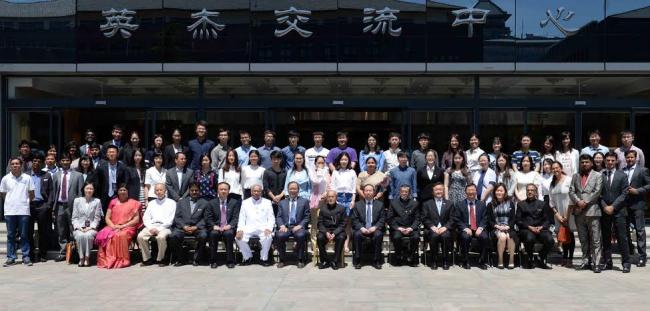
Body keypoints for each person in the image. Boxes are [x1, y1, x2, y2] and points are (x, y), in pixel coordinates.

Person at [569, 154, 604, 273]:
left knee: (595, 239)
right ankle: (585, 261)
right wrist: (578, 202)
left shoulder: (598, 175)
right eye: (582, 162)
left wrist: (585, 202)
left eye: (587, 162)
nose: (584, 164)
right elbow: (571, 191)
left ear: (592, 163)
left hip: (592, 211)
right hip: (579, 212)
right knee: (583, 239)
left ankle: (597, 263)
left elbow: (597, 191)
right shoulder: (575, 176)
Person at [95, 184, 141, 269]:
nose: (123, 192)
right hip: (113, 226)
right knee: (104, 234)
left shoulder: (133, 203)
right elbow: (107, 218)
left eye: (124, 190)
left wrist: (124, 225)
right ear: (118, 191)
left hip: (128, 227)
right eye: (121, 190)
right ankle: (106, 260)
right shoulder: (113, 202)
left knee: (120, 235)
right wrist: (113, 226)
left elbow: (136, 219)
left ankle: (122, 260)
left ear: (127, 192)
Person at [1, 157, 35, 267]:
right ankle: (11, 257)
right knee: (10, 235)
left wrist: (24, 201)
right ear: (10, 166)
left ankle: (26, 256)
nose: (15, 165)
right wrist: (11, 201)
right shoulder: (5, 178)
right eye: (13, 164)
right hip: (10, 211)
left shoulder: (27, 178)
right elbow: (3, 194)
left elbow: (31, 193)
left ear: (21, 165)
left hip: (23, 210)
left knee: (24, 235)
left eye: (17, 164)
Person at [600, 152, 631, 273]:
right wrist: (604, 206)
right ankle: (608, 262)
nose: (610, 162)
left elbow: (625, 193)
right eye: (608, 160)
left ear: (616, 161)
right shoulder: (600, 175)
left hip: (619, 211)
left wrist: (613, 206)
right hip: (605, 211)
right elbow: (598, 194)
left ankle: (626, 263)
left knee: (622, 238)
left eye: (612, 160)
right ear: (605, 161)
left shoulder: (622, 175)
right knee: (605, 238)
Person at [51, 154, 84, 262]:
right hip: (60, 205)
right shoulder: (56, 175)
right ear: (60, 162)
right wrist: (53, 208)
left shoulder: (78, 175)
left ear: (70, 162)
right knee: (61, 230)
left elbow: (80, 192)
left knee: (73, 229)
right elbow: (54, 192)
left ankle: (75, 251)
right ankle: (63, 252)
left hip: (73, 206)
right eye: (63, 160)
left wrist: (79, 208)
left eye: (67, 160)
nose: (65, 162)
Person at [169, 182, 208, 266]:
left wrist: (196, 227)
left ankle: (196, 259)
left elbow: (205, 218)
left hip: (198, 228)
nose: (194, 192)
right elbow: (177, 217)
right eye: (192, 190)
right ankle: (181, 258)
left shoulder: (204, 203)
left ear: (199, 191)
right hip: (183, 227)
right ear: (189, 191)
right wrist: (184, 226)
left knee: (204, 236)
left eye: (196, 190)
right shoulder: (181, 202)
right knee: (173, 236)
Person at [235, 184, 275, 266]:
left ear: (261, 192)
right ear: (251, 192)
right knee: (238, 238)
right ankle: (248, 257)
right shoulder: (245, 202)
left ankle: (263, 258)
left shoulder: (267, 202)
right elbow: (242, 218)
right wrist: (240, 230)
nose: (256, 193)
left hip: (263, 227)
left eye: (258, 191)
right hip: (249, 227)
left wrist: (269, 228)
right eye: (254, 191)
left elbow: (271, 218)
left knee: (268, 237)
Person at [516, 184, 554, 269]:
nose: (530, 192)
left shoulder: (542, 204)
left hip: (540, 229)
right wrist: (529, 227)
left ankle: (541, 256)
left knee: (550, 240)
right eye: (528, 190)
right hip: (526, 229)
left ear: (536, 192)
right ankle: (530, 258)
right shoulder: (521, 204)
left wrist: (541, 227)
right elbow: (518, 220)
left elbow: (547, 220)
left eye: (532, 190)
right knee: (529, 238)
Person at [137, 183, 175, 267]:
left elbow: (171, 219)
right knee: (140, 236)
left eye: (161, 190)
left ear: (165, 191)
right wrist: (151, 228)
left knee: (161, 237)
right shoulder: (151, 203)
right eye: (157, 190)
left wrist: (159, 229)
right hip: (152, 226)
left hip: (165, 227)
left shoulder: (172, 203)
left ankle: (162, 259)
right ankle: (147, 259)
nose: (159, 192)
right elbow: (146, 218)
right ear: (154, 192)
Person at [623, 150, 650, 267]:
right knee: (625, 231)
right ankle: (630, 252)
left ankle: (642, 256)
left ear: (636, 158)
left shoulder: (643, 170)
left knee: (639, 231)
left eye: (631, 157)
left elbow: (649, 185)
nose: (629, 159)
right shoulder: (622, 171)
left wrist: (637, 191)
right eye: (628, 157)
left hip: (638, 204)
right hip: (624, 205)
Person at [453, 184, 489, 270]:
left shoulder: (482, 204)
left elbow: (485, 218)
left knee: (484, 237)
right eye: (469, 190)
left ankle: (482, 261)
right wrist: (465, 228)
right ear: (465, 192)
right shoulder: (459, 204)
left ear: (476, 192)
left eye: (473, 190)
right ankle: (465, 261)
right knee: (465, 237)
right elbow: (457, 219)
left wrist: (480, 228)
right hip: (466, 227)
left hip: (478, 227)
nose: (471, 192)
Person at [275, 182, 311, 268]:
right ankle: (282, 259)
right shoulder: (282, 202)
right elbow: (279, 217)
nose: (293, 190)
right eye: (291, 189)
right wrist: (282, 225)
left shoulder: (304, 201)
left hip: (298, 227)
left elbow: (307, 216)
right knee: (279, 235)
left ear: (298, 190)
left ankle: (300, 259)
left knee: (301, 235)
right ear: (288, 190)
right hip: (286, 227)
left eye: (295, 189)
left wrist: (300, 225)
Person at [206, 182, 241, 269]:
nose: (223, 191)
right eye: (221, 189)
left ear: (229, 191)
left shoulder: (234, 202)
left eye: (225, 189)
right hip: (216, 227)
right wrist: (213, 226)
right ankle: (213, 261)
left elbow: (236, 217)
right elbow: (208, 218)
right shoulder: (211, 203)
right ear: (217, 191)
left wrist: (230, 225)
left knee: (228, 234)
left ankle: (230, 261)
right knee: (213, 234)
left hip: (228, 227)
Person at [351, 184, 385, 270]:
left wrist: (375, 227)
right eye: (366, 190)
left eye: (370, 191)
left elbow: (382, 219)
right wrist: (361, 228)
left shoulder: (380, 205)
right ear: (363, 192)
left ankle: (376, 260)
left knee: (378, 235)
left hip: (374, 229)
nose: (368, 192)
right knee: (357, 234)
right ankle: (358, 259)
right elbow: (355, 219)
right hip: (362, 229)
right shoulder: (357, 205)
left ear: (374, 192)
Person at [549, 161, 576, 267]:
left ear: (561, 168)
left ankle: (570, 258)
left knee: (570, 234)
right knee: (563, 235)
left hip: (569, 212)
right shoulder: (552, 183)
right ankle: (564, 257)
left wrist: (567, 216)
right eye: (553, 168)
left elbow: (572, 198)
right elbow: (551, 202)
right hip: (559, 214)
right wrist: (558, 215)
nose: (555, 170)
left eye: (557, 168)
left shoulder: (569, 180)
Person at [27, 154, 54, 262]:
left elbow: (51, 191)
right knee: (29, 231)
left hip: (42, 205)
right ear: (31, 163)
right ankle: (31, 254)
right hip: (29, 206)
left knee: (43, 231)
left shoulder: (46, 175)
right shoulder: (26, 175)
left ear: (42, 163)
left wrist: (48, 205)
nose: (36, 163)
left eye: (38, 161)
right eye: (34, 161)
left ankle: (43, 254)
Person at [329, 152, 357, 253]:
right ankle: (338, 243)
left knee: (348, 223)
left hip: (349, 198)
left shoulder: (352, 172)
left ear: (348, 161)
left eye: (346, 159)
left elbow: (354, 188)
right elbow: (332, 186)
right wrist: (335, 200)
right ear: (339, 161)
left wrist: (353, 200)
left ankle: (346, 244)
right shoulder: (336, 172)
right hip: (338, 198)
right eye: (342, 160)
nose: (344, 161)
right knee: (338, 222)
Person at [421, 183, 452, 270]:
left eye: (440, 189)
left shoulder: (450, 203)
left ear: (443, 191)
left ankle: (445, 261)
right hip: (432, 229)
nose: (438, 191)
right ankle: (433, 260)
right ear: (433, 192)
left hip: (445, 229)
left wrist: (445, 227)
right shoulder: (427, 204)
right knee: (434, 236)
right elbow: (424, 218)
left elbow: (453, 218)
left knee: (445, 236)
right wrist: (432, 226)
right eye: (436, 190)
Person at [387, 185, 420, 267]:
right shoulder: (393, 203)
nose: (404, 193)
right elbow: (390, 218)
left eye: (406, 192)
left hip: (411, 227)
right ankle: (399, 256)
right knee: (396, 237)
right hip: (398, 228)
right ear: (400, 192)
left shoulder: (415, 203)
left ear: (409, 193)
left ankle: (411, 256)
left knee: (416, 237)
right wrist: (398, 228)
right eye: (402, 192)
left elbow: (418, 218)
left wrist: (412, 228)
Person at [71, 182, 102, 267]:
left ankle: (87, 258)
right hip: (79, 227)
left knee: (88, 235)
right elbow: (74, 218)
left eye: (91, 189)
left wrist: (90, 228)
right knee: (80, 235)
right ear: (84, 189)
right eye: (87, 188)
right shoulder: (77, 201)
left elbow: (97, 218)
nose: (89, 190)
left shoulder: (97, 201)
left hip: (91, 228)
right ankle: (81, 258)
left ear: (93, 190)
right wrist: (79, 228)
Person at [487, 183, 517, 269]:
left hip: (508, 227)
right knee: (503, 237)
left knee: (510, 236)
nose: (499, 192)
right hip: (496, 228)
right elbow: (489, 220)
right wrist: (497, 226)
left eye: (501, 191)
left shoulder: (510, 203)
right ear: (494, 192)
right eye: (497, 190)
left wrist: (508, 226)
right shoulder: (490, 204)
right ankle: (500, 259)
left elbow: (513, 218)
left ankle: (511, 259)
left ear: (505, 192)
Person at [96, 145, 133, 212]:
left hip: (118, 196)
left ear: (117, 154)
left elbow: (126, 182)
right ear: (107, 154)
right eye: (109, 152)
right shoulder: (101, 168)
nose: (111, 154)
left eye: (113, 152)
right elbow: (98, 183)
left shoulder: (123, 167)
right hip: (104, 196)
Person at [317, 190, 347, 270]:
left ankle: (335, 261)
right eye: (329, 197)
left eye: (332, 197)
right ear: (326, 198)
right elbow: (320, 223)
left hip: (337, 230)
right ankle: (325, 260)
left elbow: (343, 224)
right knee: (319, 238)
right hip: (326, 231)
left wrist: (335, 233)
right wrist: (326, 232)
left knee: (341, 237)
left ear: (336, 197)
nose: (330, 198)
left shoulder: (342, 208)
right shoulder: (322, 209)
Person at [262, 150, 286, 214]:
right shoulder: (267, 172)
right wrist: (273, 197)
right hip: (269, 199)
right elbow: (266, 187)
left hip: (282, 199)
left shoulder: (285, 172)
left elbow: (286, 186)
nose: (276, 161)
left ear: (281, 160)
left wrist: (280, 196)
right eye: (274, 159)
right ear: (271, 159)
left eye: (278, 159)